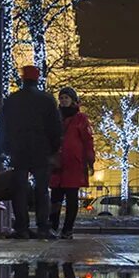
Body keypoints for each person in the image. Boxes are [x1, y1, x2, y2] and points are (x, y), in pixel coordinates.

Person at [0, 65, 63, 239]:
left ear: (23, 79)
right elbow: (55, 128)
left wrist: (6, 148)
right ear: (37, 79)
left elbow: (3, 127)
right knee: (41, 190)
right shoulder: (47, 100)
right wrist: (54, 148)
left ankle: (22, 228)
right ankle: (43, 227)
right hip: (41, 151)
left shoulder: (12, 99)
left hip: (19, 151)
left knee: (19, 190)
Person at [50, 87, 95, 240]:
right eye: (61, 98)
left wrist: (90, 159)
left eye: (66, 98)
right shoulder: (55, 117)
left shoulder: (81, 118)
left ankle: (67, 229)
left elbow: (88, 140)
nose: (63, 101)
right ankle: (53, 226)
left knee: (71, 198)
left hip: (73, 165)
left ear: (73, 100)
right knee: (55, 198)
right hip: (57, 164)